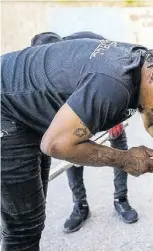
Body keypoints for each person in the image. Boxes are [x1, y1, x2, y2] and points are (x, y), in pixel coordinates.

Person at [1, 32, 153, 250]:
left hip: (28, 116)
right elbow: (55, 144)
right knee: (23, 227)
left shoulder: (144, 66)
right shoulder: (114, 84)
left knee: (30, 213)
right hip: (7, 112)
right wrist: (125, 159)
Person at [30, 31, 139, 233]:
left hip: (104, 107)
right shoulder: (40, 68)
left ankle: (121, 199)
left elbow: (118, 71)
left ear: (63, 45)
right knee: (71, 156)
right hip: (73, 114)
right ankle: (80, 206)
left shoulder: (89, 42)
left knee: (121, 152)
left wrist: (115, 117)